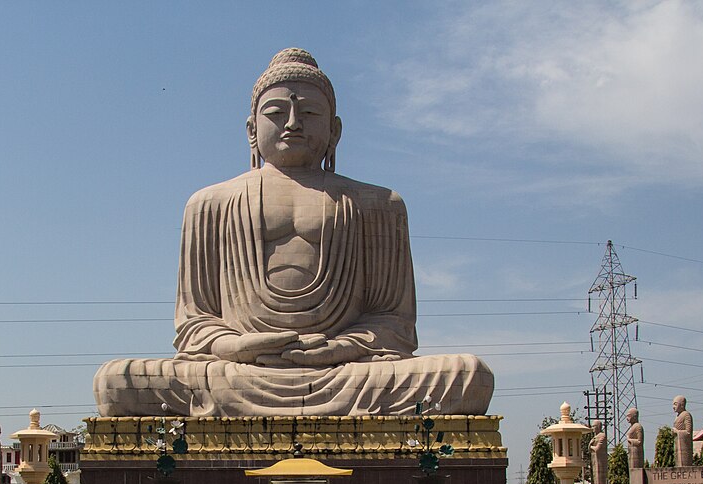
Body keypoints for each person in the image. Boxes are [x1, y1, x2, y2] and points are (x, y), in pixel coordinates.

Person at [93, 48, 493, 417]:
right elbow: (195, 322)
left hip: (345, 371)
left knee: (468, 375)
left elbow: (393, 322)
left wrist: (336, 348)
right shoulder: (209, 203)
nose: (293, 123)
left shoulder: (379, 204)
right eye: (275, 112)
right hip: (239, 370)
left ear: (335, 130)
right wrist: (236, 345)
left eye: (310, 114)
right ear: (251, 129)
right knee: (116, 382)